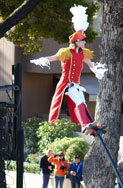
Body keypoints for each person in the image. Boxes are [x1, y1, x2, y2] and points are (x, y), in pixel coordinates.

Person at [30, 5, 102, 133]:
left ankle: (89, 128)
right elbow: (53, 58)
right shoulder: (66, 52)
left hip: (77, 84)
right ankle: (85, 125)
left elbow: (90, 64)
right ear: (77, 42)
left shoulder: (82, 53)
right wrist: (42, 60)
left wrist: (97, 71)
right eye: (83, 40)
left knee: (83, 104)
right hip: (67, 84)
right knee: (80, 103)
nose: (85, 42)